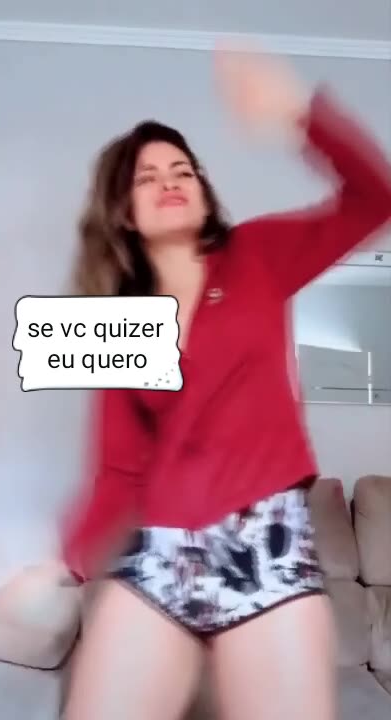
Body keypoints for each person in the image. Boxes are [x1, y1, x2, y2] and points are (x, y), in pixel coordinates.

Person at [53, 47, 391, 720]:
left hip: (266, 548)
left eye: (183, 169)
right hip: (158, 555)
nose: (170, 181)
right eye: (148, 176)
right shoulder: (119, 318)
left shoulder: (256, 256)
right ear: (124, 211)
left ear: (204, 191)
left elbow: (375, 199)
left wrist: (301, 113)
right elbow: (119, 466)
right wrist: (68, 561)